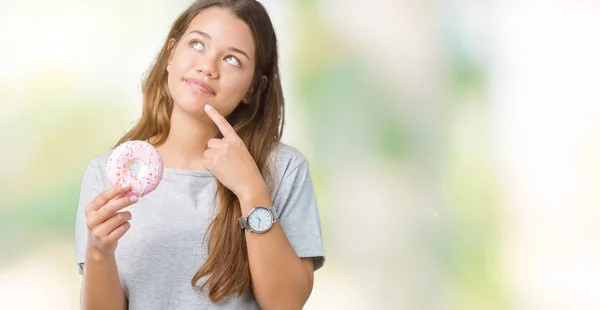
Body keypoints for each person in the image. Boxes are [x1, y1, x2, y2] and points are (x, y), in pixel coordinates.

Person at [74, 1, 325, 309]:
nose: (208, 67)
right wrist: (99, 251)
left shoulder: (285, 169)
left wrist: (251, 190)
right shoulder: (108, 173)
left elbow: (286, 304)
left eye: (232, 59)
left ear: (252, 89)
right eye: (197, 44)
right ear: (171, 55)